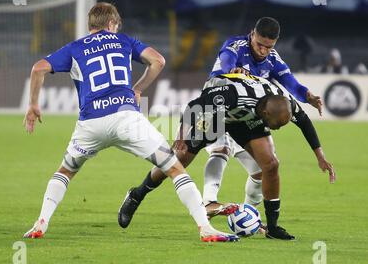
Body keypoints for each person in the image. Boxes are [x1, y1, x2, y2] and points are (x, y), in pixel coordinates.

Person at [22, 2, 238, 243]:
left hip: (91, 124)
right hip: (126, 118)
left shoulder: (74, 48)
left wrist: (33, 104)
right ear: (113, 24)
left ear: (90, 25)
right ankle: (205, 228)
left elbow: (38, 68)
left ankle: (41, 222)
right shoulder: (123, 41)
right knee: (174, 167)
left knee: (65, 171)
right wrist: (138, 89)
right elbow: (158, 61)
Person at [118, 73, 336, 240]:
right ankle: (137, 195)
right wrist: (181, 137)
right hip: (216, 114)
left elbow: (305, 122)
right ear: (267, 114)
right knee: (180, 158)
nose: (277, 129)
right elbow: (194, 106)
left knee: (270, 164)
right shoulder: (231, 95)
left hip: (245, 119)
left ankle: (273, 227)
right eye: (277, 125)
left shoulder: (283, 100)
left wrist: (320, 156)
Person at [202, 17, 328, 218]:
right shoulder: (236, 45)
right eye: (260, 44)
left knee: (263, 171)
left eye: (268, 47)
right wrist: (233, 72)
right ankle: (208, 202)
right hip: (217, 106)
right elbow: (226, 63)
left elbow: (291, 83)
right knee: (221, 149)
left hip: (245, 118)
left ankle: (248, 215)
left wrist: (307, 95)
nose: (263, 50)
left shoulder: (273, 59)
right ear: (252, 33)